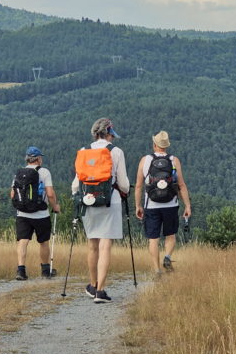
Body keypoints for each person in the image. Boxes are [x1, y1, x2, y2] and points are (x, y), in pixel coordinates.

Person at [72, 118, 130, 303]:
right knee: (105, 245)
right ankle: (101, 291)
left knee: (92, 244)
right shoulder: (115, 152)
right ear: (109, 133)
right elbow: (123, 184)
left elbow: (75, 184)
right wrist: (125, 191)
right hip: (109, 200)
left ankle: (93, 284)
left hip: (88, 201)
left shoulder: (83, 151)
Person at [134, 130, 191, 275]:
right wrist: (187, 205)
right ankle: (167, 257)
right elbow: (181, 185)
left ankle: (156, 269)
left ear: (154, 145)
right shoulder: (173, 160)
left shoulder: (145, 160)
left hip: (151, 205)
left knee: (153, 238)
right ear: (166, 146)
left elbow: (139, 186)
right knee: (170, 235)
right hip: (171, 204)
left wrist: (138, 205)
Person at [11, 146, 61, 280]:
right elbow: (50, 193)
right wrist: (55, 206)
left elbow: (12, 194)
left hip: (22, 214)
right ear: (38, 159)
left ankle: (21, 271)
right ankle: (45, 272)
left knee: (22, 241)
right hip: (41, 214)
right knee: (43, 242)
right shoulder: (44, 172)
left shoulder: (19, 173)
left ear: (27, 159)